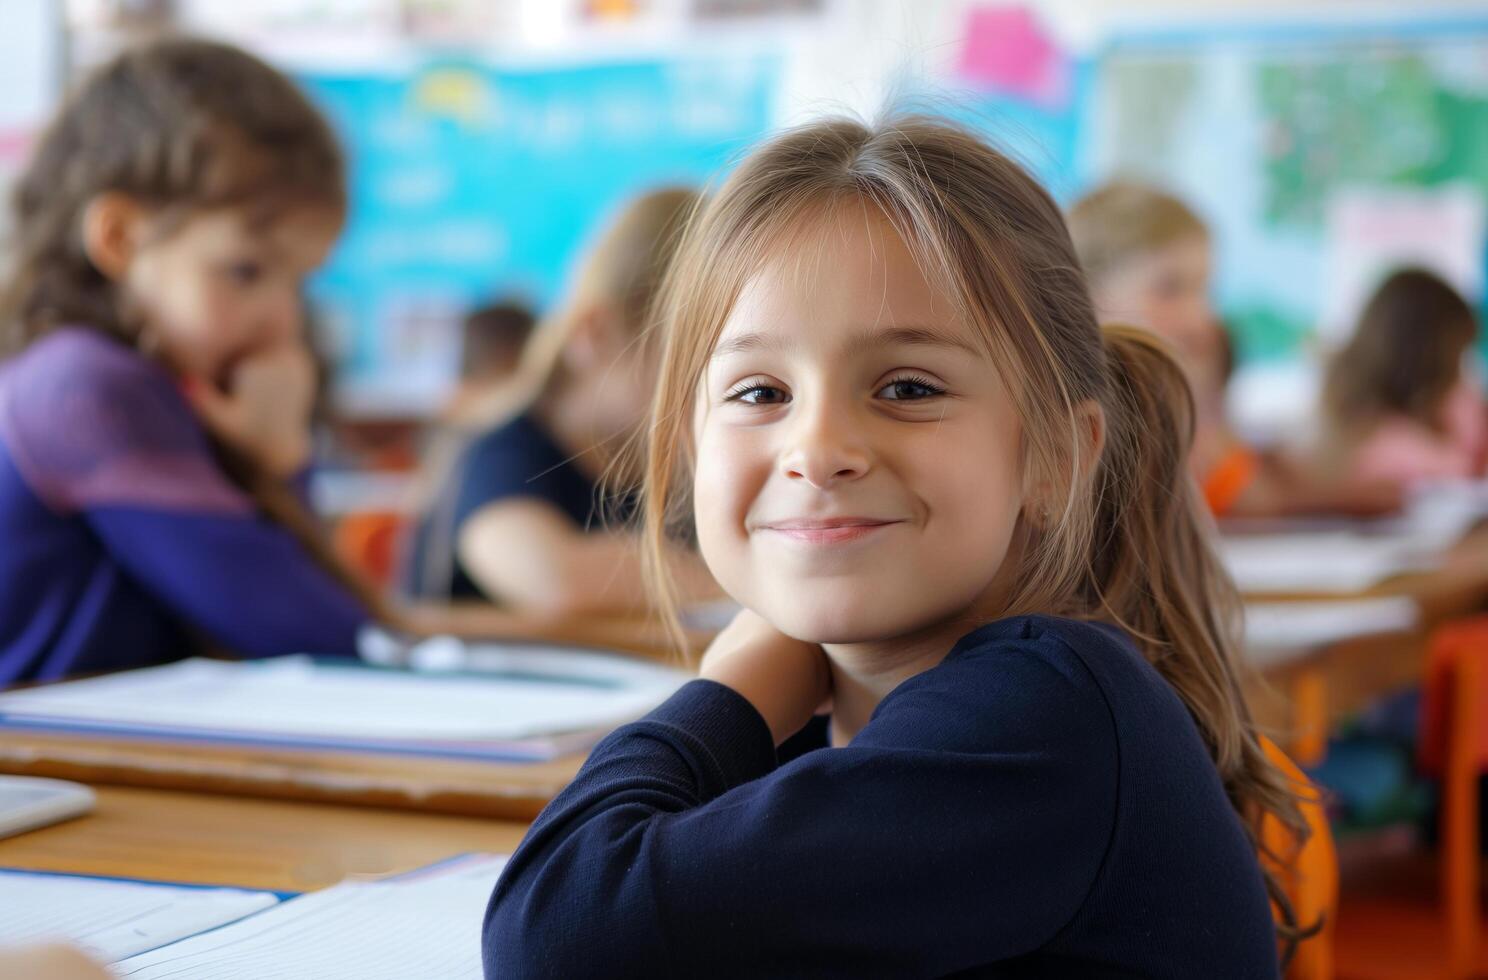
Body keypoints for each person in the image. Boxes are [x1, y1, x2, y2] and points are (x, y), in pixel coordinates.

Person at [483, 116, 1314, 977]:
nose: (816, 447)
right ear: (693, 448)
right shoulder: (834, 733)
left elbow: (559, 935)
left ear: (1058, 458)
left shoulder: (1043, 715)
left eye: (908, 387)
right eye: (760, 390)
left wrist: (731, 685)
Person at [0, 38, 382, 685]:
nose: (281, 319)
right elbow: (311, 636)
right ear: (119, 237)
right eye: (246, 271)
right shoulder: (87, 385)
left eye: (298, 281)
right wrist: (281, 457)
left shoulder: (140, 380)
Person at [406, 188, 718, 614]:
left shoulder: (673, 465)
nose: (711, 385)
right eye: (686, 356)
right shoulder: (501, 452)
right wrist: (737, 580)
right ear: (596, 333)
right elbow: (553, 579)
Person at [1069, 180, 1399, 518]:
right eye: (1169, 289)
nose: (1200, 318)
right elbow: (1246, 497)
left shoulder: (1169, 402)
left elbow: (1233, 478)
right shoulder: (1088, 422)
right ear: (1088, 293)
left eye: (1205, 290)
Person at [1316, 268, 1486, 490]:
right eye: (1458, 355)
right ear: (1428, 358)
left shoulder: (1438, 419)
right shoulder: (1375, 437)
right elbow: (1462, 470)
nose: (1460, 372)